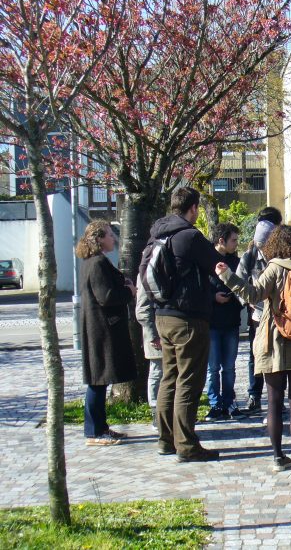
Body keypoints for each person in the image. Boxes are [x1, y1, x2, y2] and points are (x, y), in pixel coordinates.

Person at [216, 225, 291, 472]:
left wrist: (227, 276)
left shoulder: (275, 267)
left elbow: (252, 295)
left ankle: (278, 458)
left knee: (274, 401)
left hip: (274, 338)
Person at [146, 187, 224, 462]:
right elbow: (218, 264)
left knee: (169, 378)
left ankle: (165, 440)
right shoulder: (189, 236)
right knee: (189, 381)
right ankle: (187, 446)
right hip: (188, 319)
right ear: (193, 208)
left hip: (163, 315)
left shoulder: (158, 233)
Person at [76, 220, 137, 446]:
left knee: (100, 380)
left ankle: (100, 427)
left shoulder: (93, 261)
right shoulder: (97, 263)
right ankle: (93, 431)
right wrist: (128, 291)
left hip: (99, 328)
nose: (114, 238)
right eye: (110, 234)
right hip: (100, 330)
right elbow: (106, 296)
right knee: (97, 380)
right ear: (99, 238)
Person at [236, 206, 282, 413]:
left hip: (280, 315)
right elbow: (237, 282)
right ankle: (254, 395)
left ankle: (278, 399)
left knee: (279, 356)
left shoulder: (282, 254)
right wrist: (246, 300)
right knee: (255, 356)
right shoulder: (249, 256)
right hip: (258, 315)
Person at [204, 222, 244, 422]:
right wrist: (213, 297)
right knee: (212, 368)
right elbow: (199, 288)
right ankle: (214, 404)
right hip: (211, 323)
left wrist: (235, 298)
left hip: (231, 321)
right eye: (233, 240)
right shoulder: (206, 261)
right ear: (222, 241)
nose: (236, 244)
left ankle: (229, 401)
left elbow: (245, 288)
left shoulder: (237, 263)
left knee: (229, 367)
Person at [135, 273, 163, 432]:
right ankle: (156, 412)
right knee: (157, 372)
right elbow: (142, 309)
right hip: (156, 335)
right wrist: (153, 335)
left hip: (168, 332)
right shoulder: (146, 274)